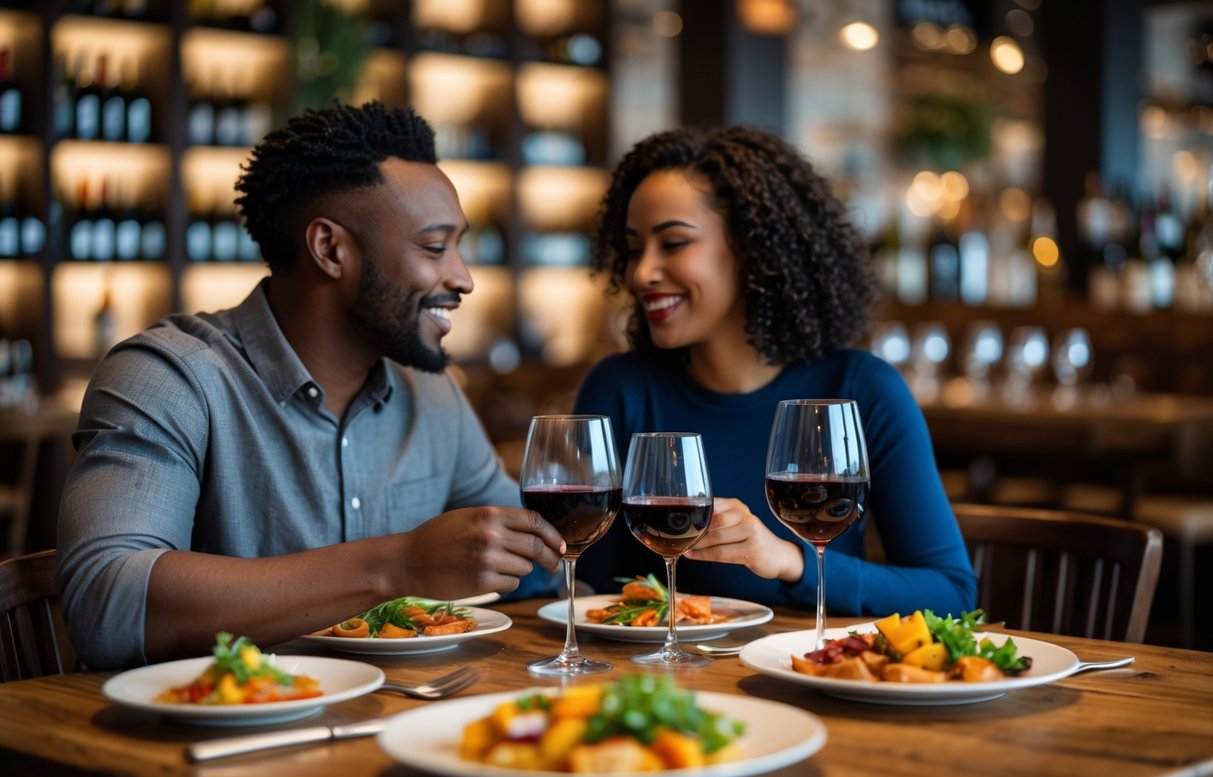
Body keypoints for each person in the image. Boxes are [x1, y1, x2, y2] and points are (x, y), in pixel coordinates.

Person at [57, 102, 563, 669]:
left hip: (400, 720)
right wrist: (398, 566)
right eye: (434, 247)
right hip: (203, 742)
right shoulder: (170, 377)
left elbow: (535, 567)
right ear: (329, 249)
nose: (463, 278)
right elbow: (107, 604)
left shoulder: (432, 393)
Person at [573, 125, 976, 617]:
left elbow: (950, 594)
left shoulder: (863, 390)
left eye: (673, 243)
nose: (641, 272)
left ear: (753, 248)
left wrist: (790, 562)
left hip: (814, 678)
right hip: (670, 683)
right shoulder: (619, 390)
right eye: (635, 249)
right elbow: (589, 592)